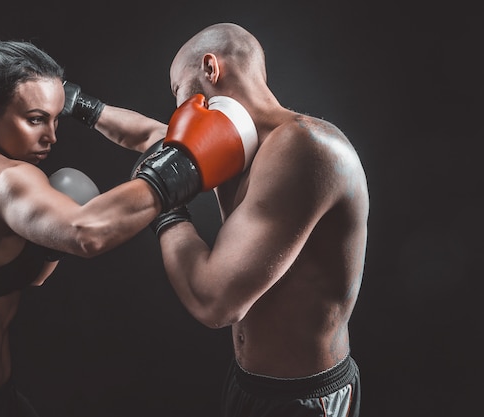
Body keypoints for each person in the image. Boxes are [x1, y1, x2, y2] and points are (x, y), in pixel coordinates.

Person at [0, 37, 254, 417]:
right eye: (34, 119)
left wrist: (83, 106)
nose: (51, 135)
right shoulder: (5, 179)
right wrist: (178, 172)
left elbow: (162, 140)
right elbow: (87, 233)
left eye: (54, 117)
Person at [95, 22, 368, 417]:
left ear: (210, 68)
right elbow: (152, 136)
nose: (177, 110)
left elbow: (215, 301)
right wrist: (78, 105)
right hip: (247, 383)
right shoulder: (240, 144)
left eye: (177, 90)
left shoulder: (304, 147)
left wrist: (166, 206)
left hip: (305, 400)